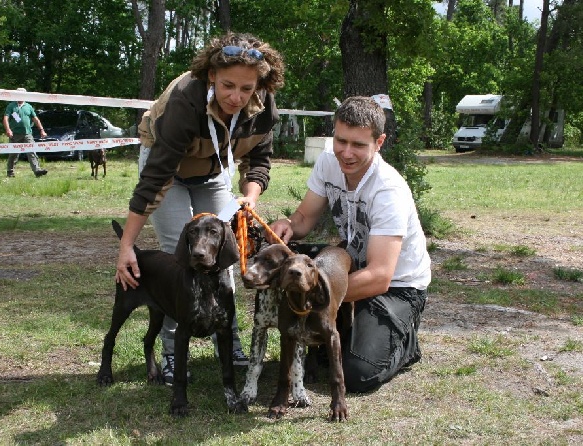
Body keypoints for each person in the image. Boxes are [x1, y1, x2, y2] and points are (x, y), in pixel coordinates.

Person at [116, 32, 285, 385]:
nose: (236, 97)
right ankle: (173, 353)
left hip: (213, 170)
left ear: (259, 84)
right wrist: (126, 246)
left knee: (224, 254)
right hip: (170, 170)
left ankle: (229, 343)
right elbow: (154, 181)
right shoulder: (185, 100)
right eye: (228, 86)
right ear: (211, 75)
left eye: (246, 88)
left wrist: (250, 198)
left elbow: (259, 162)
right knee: (182, 257)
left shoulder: (263, 106)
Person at [269, 96, 431, 393]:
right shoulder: (328, 162)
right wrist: (287, 226)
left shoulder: (388, 190)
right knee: (293, 265)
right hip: (350, 270)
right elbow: (304, 217)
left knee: (357, 374)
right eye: (341, 141)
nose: (346, 152)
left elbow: (381, 276)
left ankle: (407, 342)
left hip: (397, 287)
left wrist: (315, 296)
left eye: (358, 145)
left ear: (379, 142)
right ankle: (342, 323)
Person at [3, 88, 48, 178]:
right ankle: (10, 172)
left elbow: (35, 119)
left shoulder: (29, 106)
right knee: (13, 154)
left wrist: (42, 130)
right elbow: (5, 118)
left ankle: (37, 170)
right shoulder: (11, 106)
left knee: (32, 152)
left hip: (28, 134)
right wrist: (8, 129)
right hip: (15, 134)